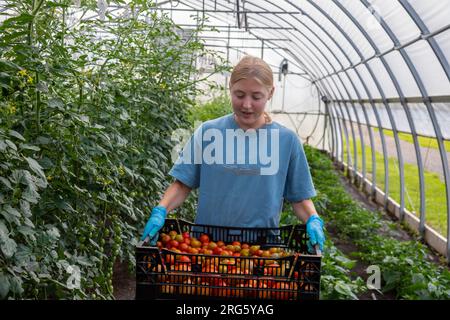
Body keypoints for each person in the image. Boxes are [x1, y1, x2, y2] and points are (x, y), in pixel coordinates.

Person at [141, 55, 325, 253]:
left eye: (256, 97)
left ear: (270, 93)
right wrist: (161, 210)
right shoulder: (208, 133)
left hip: (261, 251)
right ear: (230, 88)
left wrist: (313, 219)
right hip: (207, 247)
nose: (246, 105)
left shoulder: (286, 141)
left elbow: (299, 198)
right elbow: (182, 184)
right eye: (239, 95)